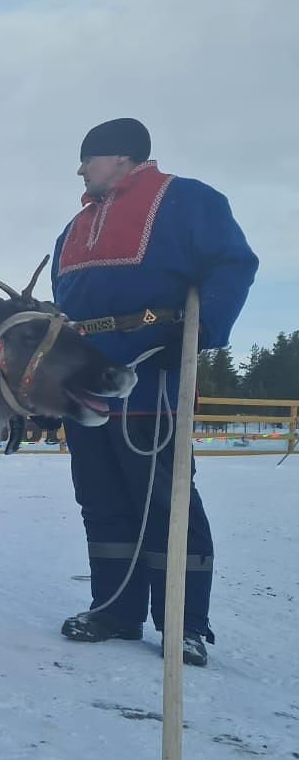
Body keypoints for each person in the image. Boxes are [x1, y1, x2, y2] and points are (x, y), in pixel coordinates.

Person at [50, 118, 258, 667]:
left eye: (88, 159)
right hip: (85, 387)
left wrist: (201, 330)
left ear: (120, 158)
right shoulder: (73, 227)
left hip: (155, 378)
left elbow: (232, 265)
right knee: (101, 501)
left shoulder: (188, 201)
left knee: (168, 504)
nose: (80, 169)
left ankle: (183, 622)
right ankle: (114, 609)